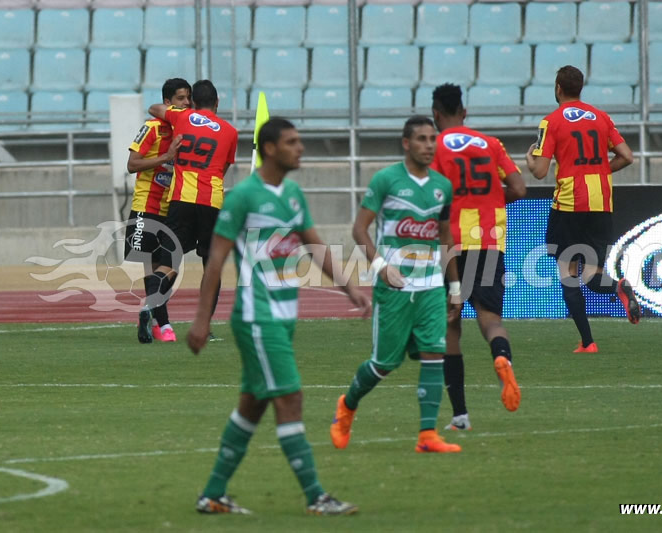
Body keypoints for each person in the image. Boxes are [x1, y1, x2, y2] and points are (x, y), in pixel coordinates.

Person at [187, 118, 370, 515]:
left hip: (283, 317)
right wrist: (202, 320)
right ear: (269, 149)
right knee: (290, 398)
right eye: (292, 142)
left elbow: (315, 247)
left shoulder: (292, 194)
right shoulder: (243, 196)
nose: (300, 148)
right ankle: (316, 496)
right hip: (258, 317)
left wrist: (351, 288)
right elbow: (215, 259)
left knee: (252, 405)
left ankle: (213, 494)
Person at [329, 116, 463, 454]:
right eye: (421, 139)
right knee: (384, 364)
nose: (429, 145)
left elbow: (445, 236)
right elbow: (359, 229)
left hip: (430, 285)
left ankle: (427, 435)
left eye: (432, 138)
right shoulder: (386, 180)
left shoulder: (442, 186)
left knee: (435, 353)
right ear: (406, 143)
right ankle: (347, 405)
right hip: (394, 287)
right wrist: (381, 267)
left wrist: (454, 287)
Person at [430, 83, 525, 431]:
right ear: (465, 112)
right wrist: (491, 200)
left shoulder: (436, 146)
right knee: (491, 319)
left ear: (436, 114)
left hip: (453, 241)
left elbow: (431, 195)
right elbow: (519, 188)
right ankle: (501, 357)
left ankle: (460, 416)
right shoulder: (491, 144)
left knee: (450, 326)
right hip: (488, 241)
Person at [525, 65, 641, 353]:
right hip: (601, 202)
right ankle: (619, 286)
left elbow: (540, 172)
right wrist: (600, 172)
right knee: (591, 275)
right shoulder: (601, 117)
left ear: (558, 88)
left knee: (569, 274)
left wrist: (529, 159)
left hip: (569, 204)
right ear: (580, 88)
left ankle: (588, 342)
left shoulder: (551, 121)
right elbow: (627, 156)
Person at [146, 79, 238, 338]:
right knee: (211, 266)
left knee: (169, 261)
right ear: (217, 102)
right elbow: (222, 170)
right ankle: (204, 325)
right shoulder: (231, 131)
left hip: (181, 198)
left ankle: (150, 301)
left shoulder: (183, 117)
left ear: (194, 102)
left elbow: (153, 109)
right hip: (211, 202)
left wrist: (180, 112)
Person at [125, 78, 190, 344]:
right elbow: (132, 164)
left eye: (188, 99)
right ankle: (162, 325)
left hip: (174, 208)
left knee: (170, 267)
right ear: (167, 102)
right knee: (153, 268)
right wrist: (165, 157)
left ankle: (151, 313)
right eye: (180, 98)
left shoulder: (188, 130)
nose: (186, 103)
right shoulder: (152, 128)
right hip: (147, 207)